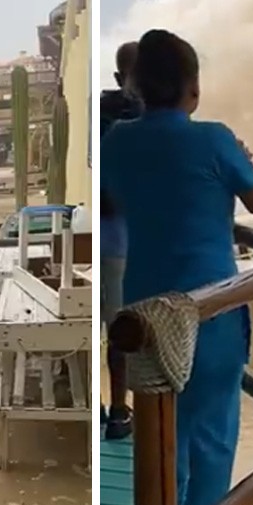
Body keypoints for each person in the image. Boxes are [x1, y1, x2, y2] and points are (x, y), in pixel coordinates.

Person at [102, 30, 253, 505]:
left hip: (144, 315)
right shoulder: (215, 139)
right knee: (213, 435)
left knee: (163, 428)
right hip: (210, 312)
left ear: (136, 87)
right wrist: (241, 160)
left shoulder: (117, 142)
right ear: (193, 89)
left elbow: (115, 199)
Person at [98, 41, 140, 441]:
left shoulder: (103, 114)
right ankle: (118, 412)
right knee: (120, 331)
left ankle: (108, 408)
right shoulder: (128, 119)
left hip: (111, 239)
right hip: (117, 241)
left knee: (108, 328)